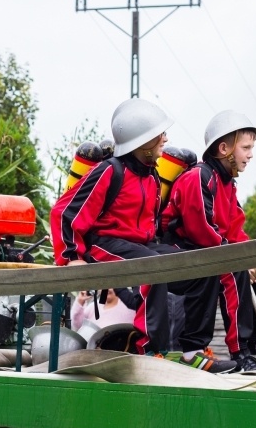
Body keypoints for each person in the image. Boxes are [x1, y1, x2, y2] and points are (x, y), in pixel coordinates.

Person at [51, 98, 237, 373]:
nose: (165, 139)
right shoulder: (109, 171)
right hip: (103, 244)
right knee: (154, 267)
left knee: (204, 265)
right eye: (160, 134)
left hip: (141, 245)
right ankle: (149, 350)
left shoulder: (151, 177)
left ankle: (194, 351)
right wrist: (71, 257)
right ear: (143, 140)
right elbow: (65, 211)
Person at [161, 110, 256, 371]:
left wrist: (253, 259)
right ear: (224, 148)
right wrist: (241, 259)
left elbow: (236, 230)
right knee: (232, 266)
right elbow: (203, 230)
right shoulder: (197, 177)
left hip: (211, 251)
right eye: (246, 147)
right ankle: (241, 352)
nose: (251, 154)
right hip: (179, 252)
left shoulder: (228, 184)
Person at [70, 289, 136, 331]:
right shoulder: (93, 306)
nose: (107, 289)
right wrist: (80, 301)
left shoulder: (129, 305)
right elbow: (77, 325)